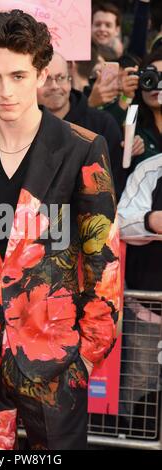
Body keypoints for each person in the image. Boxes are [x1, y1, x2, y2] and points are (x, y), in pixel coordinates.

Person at [0, 10, 120, 450]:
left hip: (55, 359)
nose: (6, 91)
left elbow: (105, 266)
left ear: (40, 74)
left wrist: (82, 359)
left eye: (18, 75)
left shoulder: (81, 148)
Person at [37, 52, 130, 200]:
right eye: (46, 80)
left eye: (60, 78)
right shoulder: (21, 127)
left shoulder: (103, 124)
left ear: (70, 79)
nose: (54, 86)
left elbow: (116, 185)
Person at [117, 153, 162, 421]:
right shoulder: (151, 169)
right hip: (147, 310)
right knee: (139, 385)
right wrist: (151, 220)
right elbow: (120, 222)